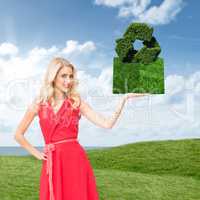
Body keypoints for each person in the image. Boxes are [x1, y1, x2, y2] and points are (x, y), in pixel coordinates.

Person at [14, 57, 149, 200]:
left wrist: (123, 99)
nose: (68, 80)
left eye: (71, 76)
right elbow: (18, 134)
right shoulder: (38, 104)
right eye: (64, 76)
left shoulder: (76, 103)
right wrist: (37, 153)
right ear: (53, 77)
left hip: (76, 160)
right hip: (53, 161)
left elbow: (107, 124)